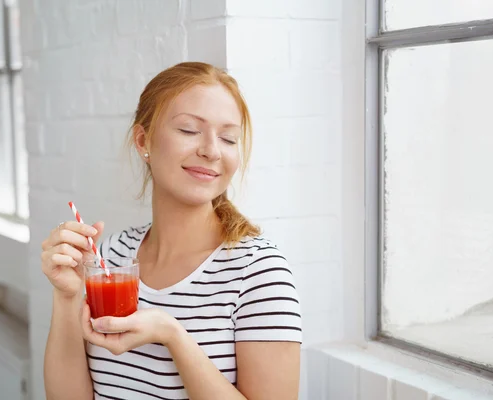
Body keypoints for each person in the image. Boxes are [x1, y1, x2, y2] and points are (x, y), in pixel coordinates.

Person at [40, 62, 302, 400]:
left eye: (228, 138)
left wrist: (172, 335)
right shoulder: (110, 257)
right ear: (142, 140)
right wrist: (66, 297)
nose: (211, 150)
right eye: (190, 130)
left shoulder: (260, 272)